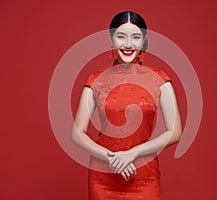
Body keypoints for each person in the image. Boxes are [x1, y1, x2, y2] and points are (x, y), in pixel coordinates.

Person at [71, 10, 182, 200]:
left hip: (144, 176)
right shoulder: (96, 79)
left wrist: (132, 154)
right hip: (103, 177)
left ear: (144, 41)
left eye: (136, 37)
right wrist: (112, 158)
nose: (128, 44)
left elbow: (175, 132)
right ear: (111, 39)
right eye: (121, 36)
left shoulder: (160, 79)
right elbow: (77, 133)